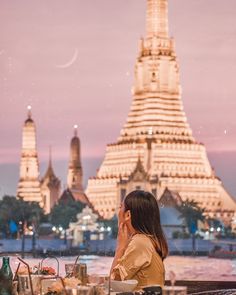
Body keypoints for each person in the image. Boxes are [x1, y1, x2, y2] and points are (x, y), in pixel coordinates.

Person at [110, 190, 168, 290]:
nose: (118, 212)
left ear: (128, 215)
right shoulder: (146, 240)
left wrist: (120, 247)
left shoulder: (139, 243)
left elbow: (113, 284)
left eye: (120, 207)